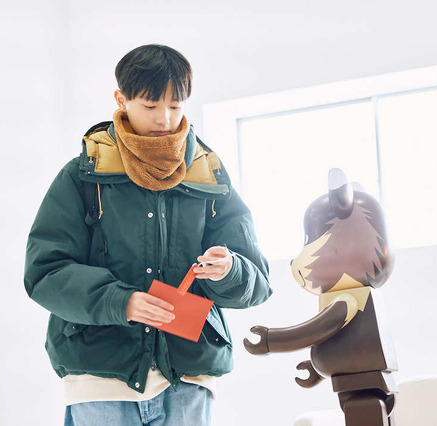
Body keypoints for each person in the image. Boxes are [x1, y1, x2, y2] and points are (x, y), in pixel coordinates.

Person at [24, 44, 271, 426]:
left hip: (188, 377)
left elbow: (257, 281)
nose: (165, 118)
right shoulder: (82, 175)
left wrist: (229, 270)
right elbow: (45, 272)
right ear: (121, 100)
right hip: (100, 379)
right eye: (151, 105)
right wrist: (120, 301)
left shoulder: (209, 175)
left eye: (175, 105)